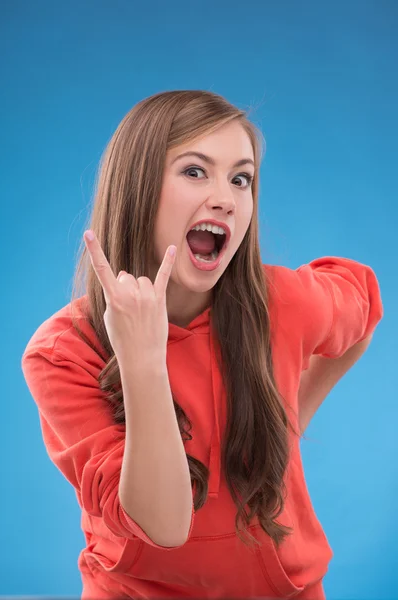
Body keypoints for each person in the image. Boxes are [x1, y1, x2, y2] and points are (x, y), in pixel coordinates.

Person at [21, 90, 383, 600]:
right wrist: (143, 359)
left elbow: (362, 297)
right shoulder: (63, 352)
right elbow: (164, 525)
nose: (226, 198)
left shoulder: (283, 303)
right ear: (138, 187)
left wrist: (288, 420)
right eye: (195, 171)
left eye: (241, 178)